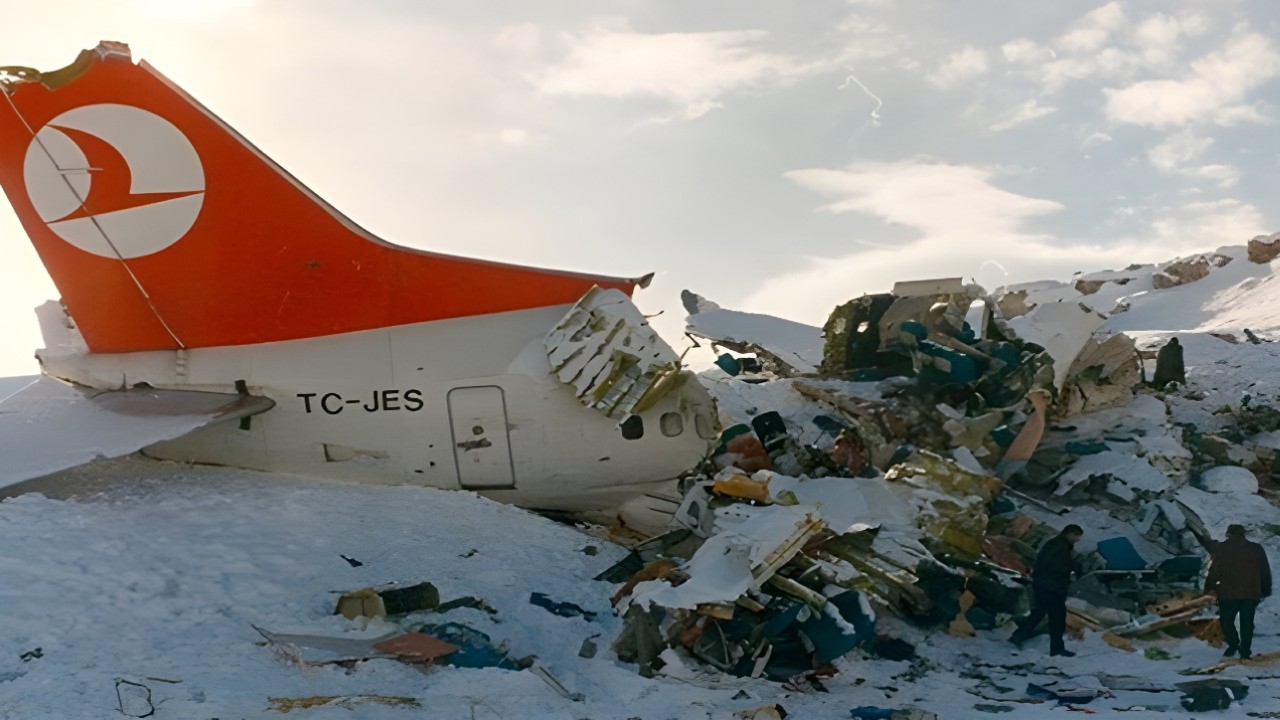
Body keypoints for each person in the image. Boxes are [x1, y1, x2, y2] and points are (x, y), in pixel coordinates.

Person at [1010, 524, 1084, 657]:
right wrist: (1073, 569)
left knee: (1039, 613)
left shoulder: (1055, 544)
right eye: (1076, 536)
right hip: (1052, 587)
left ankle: (1018, 636)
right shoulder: (1060, 547)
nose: (1077, 540)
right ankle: (1057, 649)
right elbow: (1058, 566)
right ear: (1069, 534)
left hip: (1044, 585)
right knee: (1057, 618)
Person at [1206, 524, 1271, 660]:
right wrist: (1265, 590)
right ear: (1243, 534)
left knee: (1227, 621)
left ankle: (1233, 644)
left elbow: (1214, 572)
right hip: (1250, 593)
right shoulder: (1256, 549)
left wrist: (1209, 588)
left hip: (1228, 593)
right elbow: (1264, 571)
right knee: (1247, 623)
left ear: (1228, 534)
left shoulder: (1221, 549)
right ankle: (1245, 651)